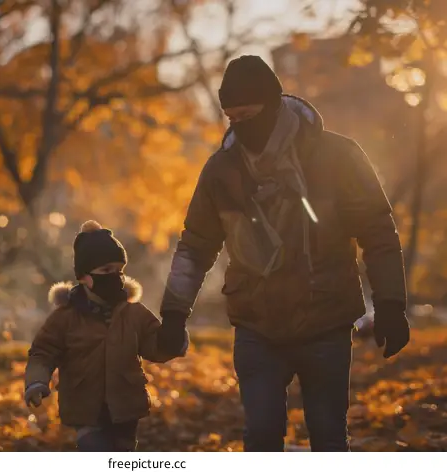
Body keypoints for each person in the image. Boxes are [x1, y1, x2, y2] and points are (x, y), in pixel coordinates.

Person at [156, 55, 410, 452]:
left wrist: (391, 304)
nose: (241, 126)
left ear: (274, 105)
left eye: (249, 114)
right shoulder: (221, 171)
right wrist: (173, 314)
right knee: (260, 437)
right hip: (256, 325)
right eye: (232, 118)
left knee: (327, 436)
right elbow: (194, 246)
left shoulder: (338, 157)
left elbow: (377, 231)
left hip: (326, 320)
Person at [24, 220, 187, 452]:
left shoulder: (133, 313)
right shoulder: (65, 318)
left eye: (118, 270)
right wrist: (37, 381)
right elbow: (43, 352)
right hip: (85, 409)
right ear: (83, 277)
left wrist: (173, 338)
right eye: (105, 271)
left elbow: (155, 346)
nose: (114, 277)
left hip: (125, 408)